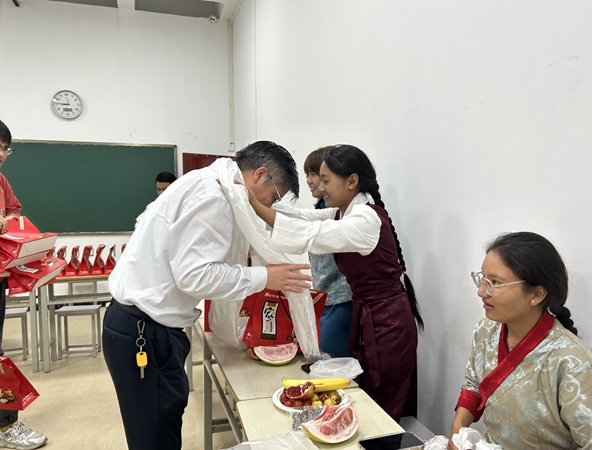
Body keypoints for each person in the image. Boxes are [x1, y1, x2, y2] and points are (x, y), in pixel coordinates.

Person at [103, 141, 312, 450]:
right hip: (145, 331)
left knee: (156, 427)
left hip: (137, 324)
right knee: (155, 435)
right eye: (275, 196)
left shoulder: (205, 181)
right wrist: (266, 276)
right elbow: (194, 276)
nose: (270, 205)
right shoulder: (216, 198)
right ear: (259, 175)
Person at [245, 144, 424, 421]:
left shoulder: (365, 219)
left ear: (352, 181)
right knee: (364, 395)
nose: (320, 186)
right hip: (370, 316)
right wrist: (257, 202)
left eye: (326, 180)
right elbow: (302, 217)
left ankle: (381, 441)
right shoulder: (345, 211)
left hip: (388, 323)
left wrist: (254, 204)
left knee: (382, 405)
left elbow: (308, 234)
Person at [449, 232, 592, 449]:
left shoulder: (574, 364)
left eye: (494, 282)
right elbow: (474, 386)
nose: (481, 291)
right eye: (482, 279)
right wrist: (457, 430)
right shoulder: (486, 330)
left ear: (537, 294)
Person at [0, 120, 48, 449]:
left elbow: (15, 214)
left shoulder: (1, 181)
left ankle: (6, 425)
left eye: (6, 149)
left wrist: (8, 220)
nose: (3, 154)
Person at [303, 147, 353, 357]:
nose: (309, 180)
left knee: (334, 363)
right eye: (308, 174)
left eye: (315, 175)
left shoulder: (339, 213)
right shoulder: (323, 208)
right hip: (326, 298)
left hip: (340, 300)